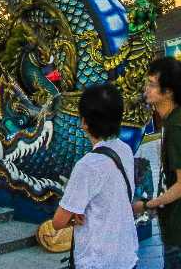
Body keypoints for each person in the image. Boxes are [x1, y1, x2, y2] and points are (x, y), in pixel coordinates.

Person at [133, 57, 181, 269]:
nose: (146, 89)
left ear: (168, 92)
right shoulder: (175, 118)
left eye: (151, 84)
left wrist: (147, 205)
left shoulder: (176, 125)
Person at [52, 84, 137, 269]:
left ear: (84, 122)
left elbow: (58, 221)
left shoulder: (87, 166)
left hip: (97, 261)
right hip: (126, 256)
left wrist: (73, 216)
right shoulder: (125, 151)